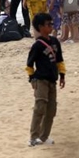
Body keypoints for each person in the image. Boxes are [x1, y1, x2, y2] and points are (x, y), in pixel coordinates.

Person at [26, 12, 66, 146]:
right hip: (41, 80)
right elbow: (29, 64)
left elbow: (60, 60)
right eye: (48, 24)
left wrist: (62, 75)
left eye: (51, 24)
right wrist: (32, 79)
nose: (51, 27)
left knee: (51, 109)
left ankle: (44, 136)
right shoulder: (37, 46)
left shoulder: (55, 42)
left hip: (52, 80)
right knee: (40, 107)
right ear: (40, 27)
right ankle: (33, 137)